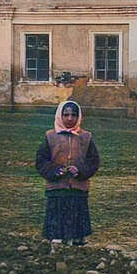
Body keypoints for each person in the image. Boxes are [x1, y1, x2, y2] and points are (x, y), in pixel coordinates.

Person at [36, 100, 101, 246]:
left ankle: (78, 238)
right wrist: (54, 171)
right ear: (60, 116)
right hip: (57, 187)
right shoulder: (50, 137)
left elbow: (93, 161)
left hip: (78, 186)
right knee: (57, 212)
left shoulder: (86, 137)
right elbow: (41, 161)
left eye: (73, 115)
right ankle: (56, 238)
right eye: (66, 115)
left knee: (77, 210)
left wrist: (80, 171)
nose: (70, 118)